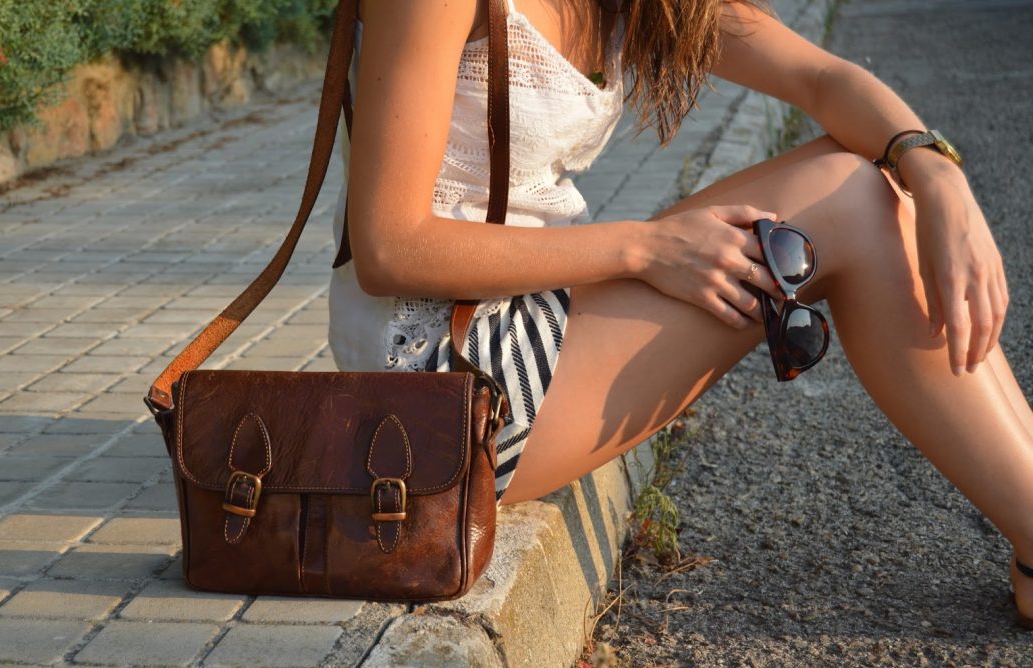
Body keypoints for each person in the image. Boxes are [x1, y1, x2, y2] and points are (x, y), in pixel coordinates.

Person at [326, 0, 1033, 625]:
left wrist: (936, 171)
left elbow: (823, 80)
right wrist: (645, 247)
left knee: (881, 179)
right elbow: (390, 245)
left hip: (525, 311)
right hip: (439, 375)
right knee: (852, 197)